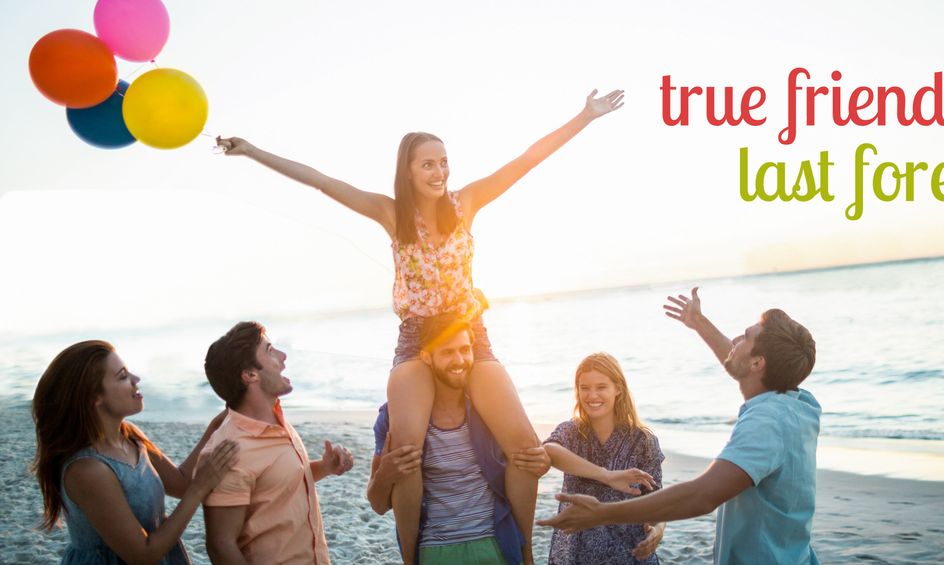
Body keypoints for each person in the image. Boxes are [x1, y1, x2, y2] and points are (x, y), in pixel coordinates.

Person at [216, 87, 623, 563]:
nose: (439, 171)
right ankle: (411, 556)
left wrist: (585, 116)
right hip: (415, 342)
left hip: (471, 337)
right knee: (405, 451)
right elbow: (322, 182)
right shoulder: (393, 215)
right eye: (428, 163)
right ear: (408, 170)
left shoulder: (466, 203)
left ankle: (526, 553)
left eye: (444, 161)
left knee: (526, 449)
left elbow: (526, 161)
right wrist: (251, 151)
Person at [538, 288, 821, 565]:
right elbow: (741, 360)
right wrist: (699, 323)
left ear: (758, 363)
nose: (735, 339)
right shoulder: (794, 403)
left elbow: (702, 495)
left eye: (745, 337)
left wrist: (602, 513)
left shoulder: (767, 423)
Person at [31, 340, 239, 565]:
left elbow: (181, 484)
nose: (136, 380)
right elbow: (143, 555)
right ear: (93, 397)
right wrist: (200, 488)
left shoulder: (129, 436)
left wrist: (219, 423)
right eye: (122, 376)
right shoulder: (88, 469)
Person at [367, 313, 543, 564]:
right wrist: (385, 473)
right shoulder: (393, 417)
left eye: (464, 349)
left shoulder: (491, 411)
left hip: (495, 544)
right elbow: (378, 505)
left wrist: (541, 461)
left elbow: (532, 463)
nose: (459, 360)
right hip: (435, 551)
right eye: (448, 352)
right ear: (427, 357)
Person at [199, 322, 355, 565]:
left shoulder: (276, 421)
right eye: (270, 350)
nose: (283, 357)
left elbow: (276, 484)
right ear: (250, 374)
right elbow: (221, 546)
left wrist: (324, 467)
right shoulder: (230, 449)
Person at [511, 353, 665, 564]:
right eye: (585, 388)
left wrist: (657, 530)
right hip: (574, 553)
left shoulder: (644, 441)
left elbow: (658, 501)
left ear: (618, 389)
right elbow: (549, 450)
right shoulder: (571, 431)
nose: (592, 395)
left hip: (628, 553)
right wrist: (607, 476)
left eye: (601, 387)